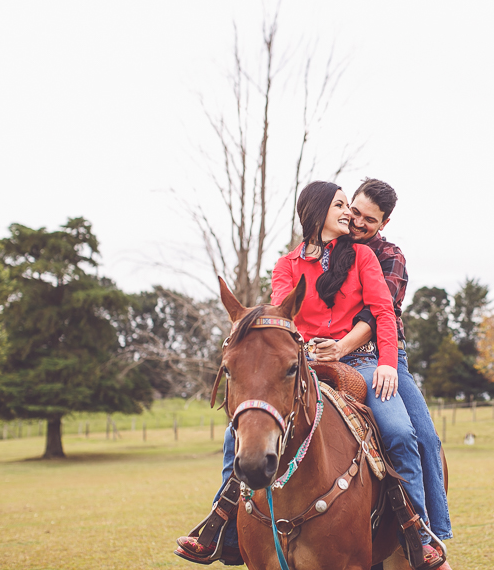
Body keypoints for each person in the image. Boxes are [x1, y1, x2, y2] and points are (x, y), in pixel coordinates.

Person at [176, 181, 449, 570]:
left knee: (402, 432)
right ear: (318, 212)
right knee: (235, 432)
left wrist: (388, 362)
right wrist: (301, 346)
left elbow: (382, 312)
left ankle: (417, 533)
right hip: (307, 363)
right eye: (341, 206)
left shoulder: (364, 258)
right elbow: (285, 315)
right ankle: (222, 526)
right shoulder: (287, 265)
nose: (349, 215)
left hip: (362, 362)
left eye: (352, 210)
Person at [313, 178, 452, 546]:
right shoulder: (331, 248)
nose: (358, 223)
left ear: (384, 224)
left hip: (384, 356)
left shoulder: (389, 256)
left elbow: (375, 315)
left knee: (421, 436)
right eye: (353, 212)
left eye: (369, 220)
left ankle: (429, 533)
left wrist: (340, 348)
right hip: (329, 353)